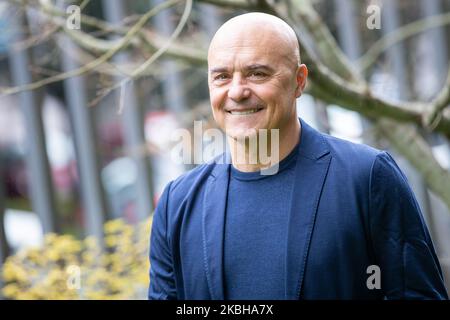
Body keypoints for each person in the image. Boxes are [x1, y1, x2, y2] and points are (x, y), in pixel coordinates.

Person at [148, 12, 448, 300]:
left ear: (299, 81)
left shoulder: (367, 178)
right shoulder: (178, 202)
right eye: (222, 77)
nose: (237, 91)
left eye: (257, 73)